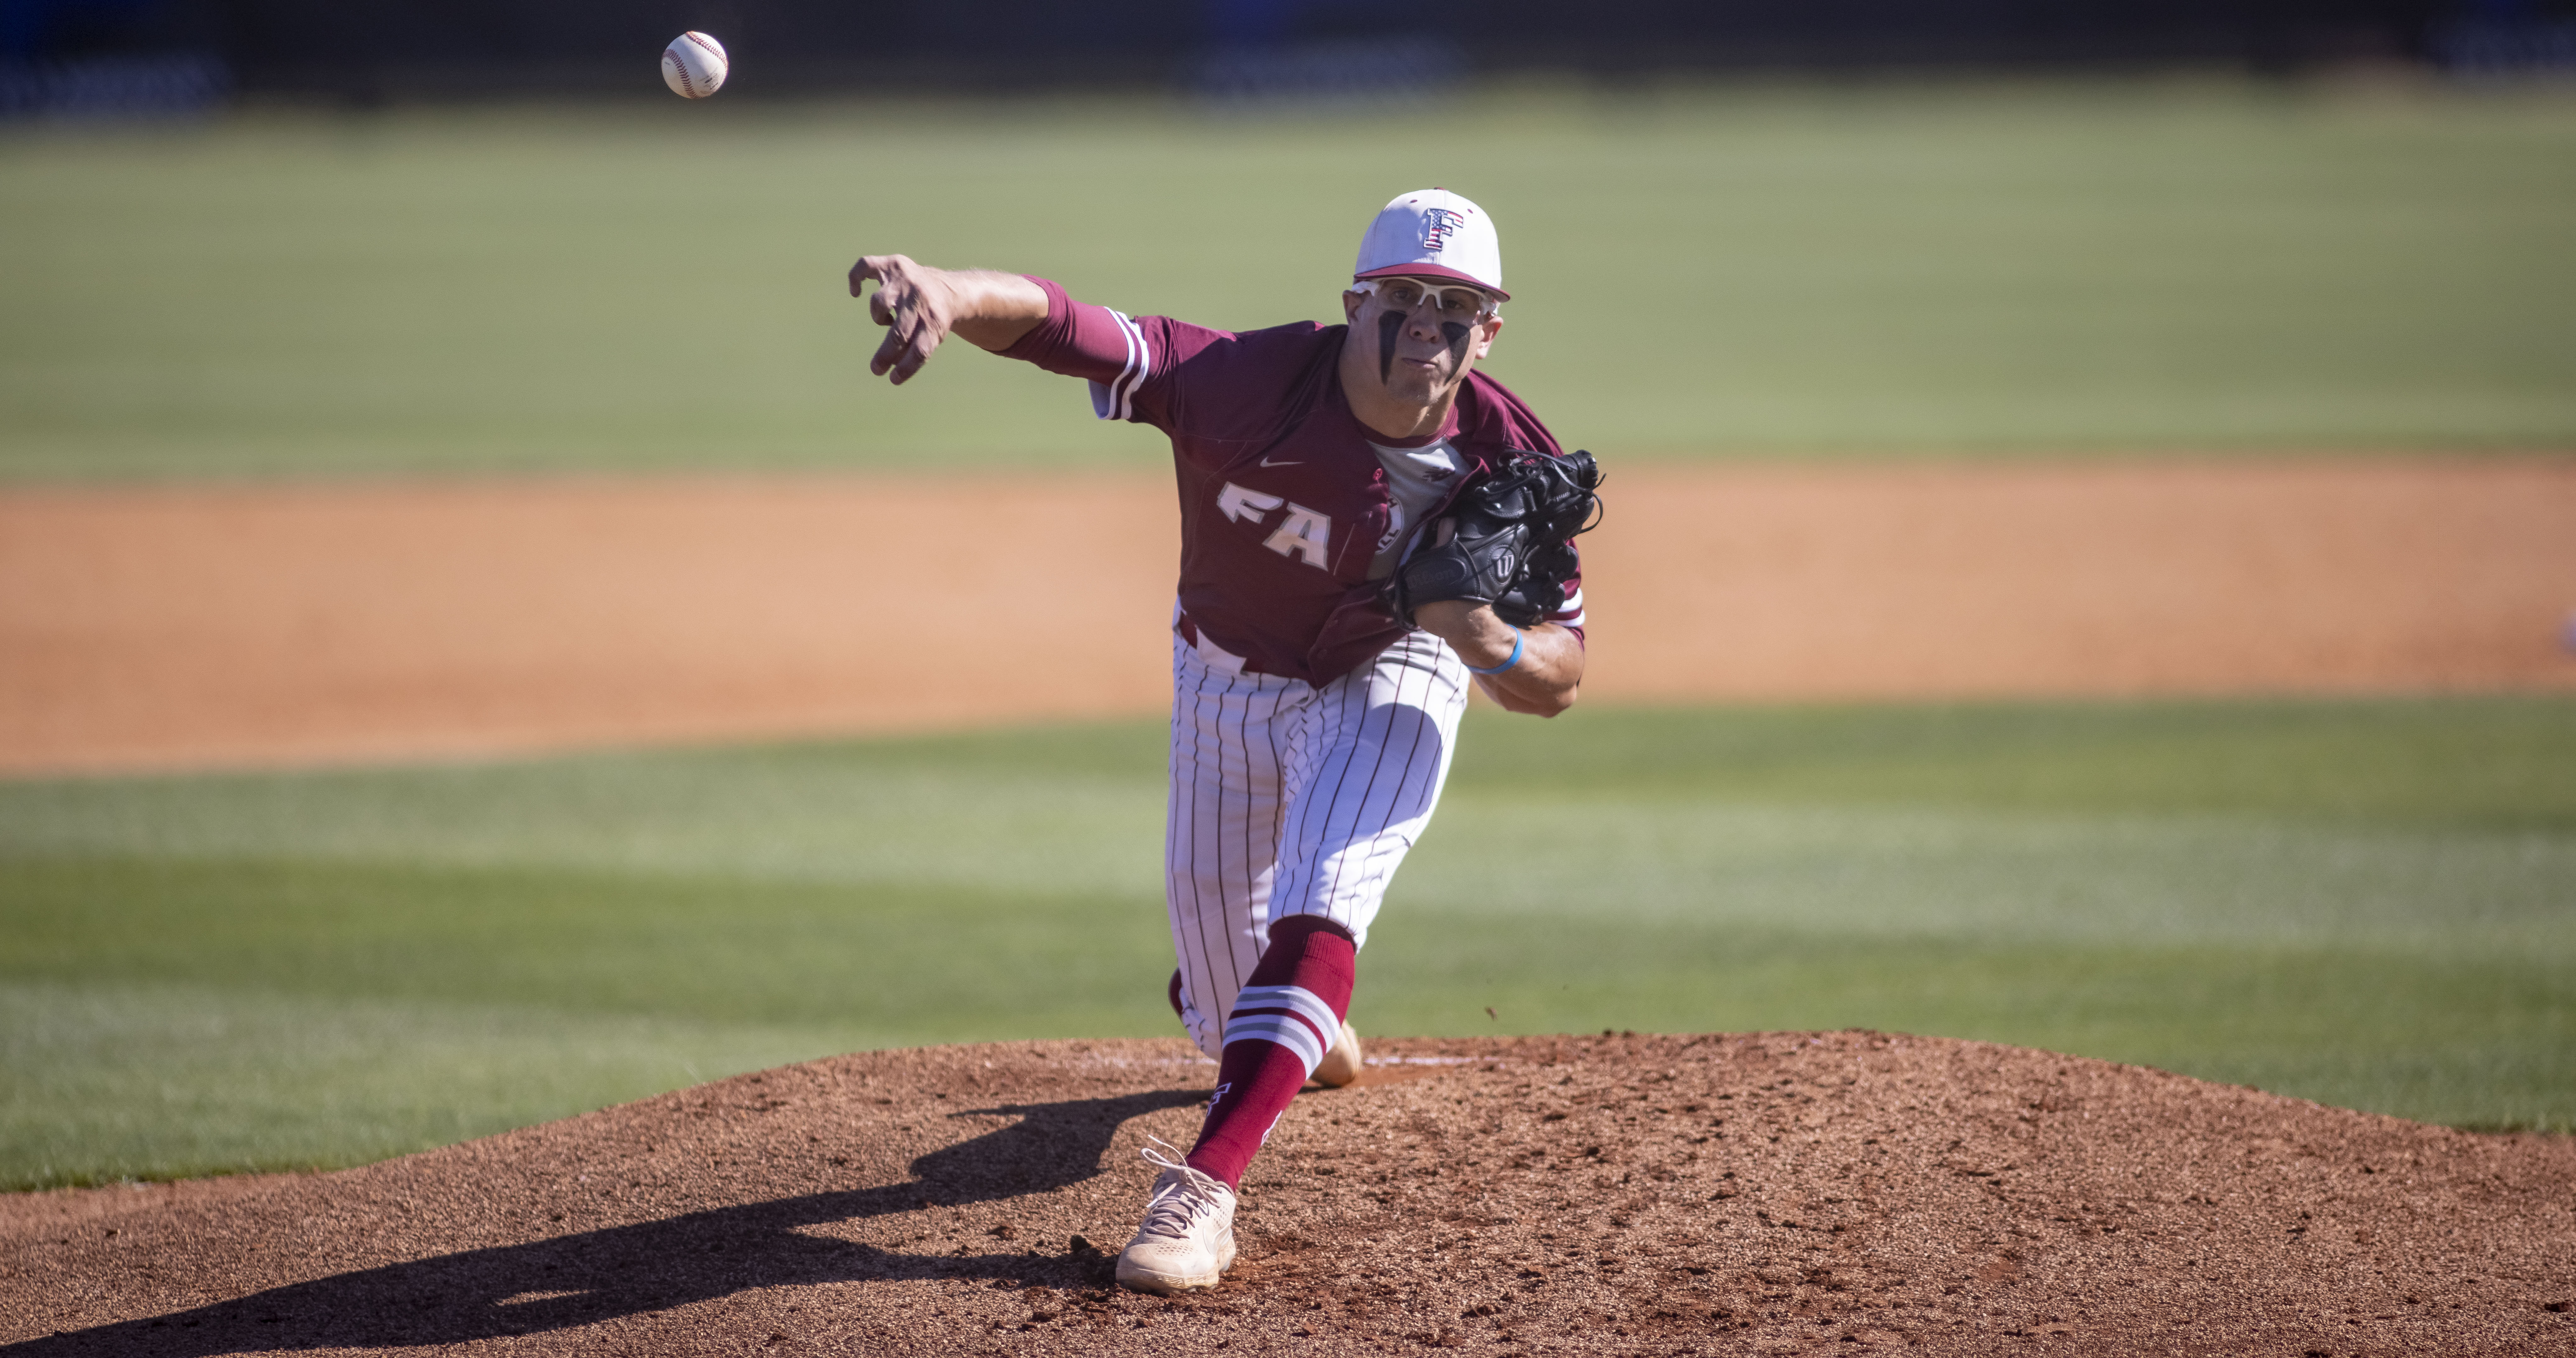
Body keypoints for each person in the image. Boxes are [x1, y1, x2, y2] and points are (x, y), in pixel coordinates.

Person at [847, 189, 1589, 1294]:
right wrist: (952, 292)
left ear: (1492, 328)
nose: (1427, 326)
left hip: (1394, 673)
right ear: (1354, 305)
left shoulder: (1504, 458)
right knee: (1226, 1002)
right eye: (1402, 300)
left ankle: (1200, 1196)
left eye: (1456, 307)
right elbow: (1067, 327)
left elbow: (1561, 678)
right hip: (1224, 686)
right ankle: (1288, 1018)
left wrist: (1481, 635)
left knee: (1328, 894)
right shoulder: (1249, 381)